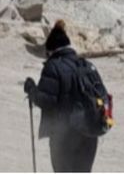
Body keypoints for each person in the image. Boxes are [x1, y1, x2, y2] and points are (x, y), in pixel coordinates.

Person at [23, 21, 107, 173]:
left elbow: (47, 100)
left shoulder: (53, 66)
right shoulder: (86, 66)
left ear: (51, 50)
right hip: (89, 133)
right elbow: (103, 96)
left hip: (65, 136)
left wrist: (31, 90)